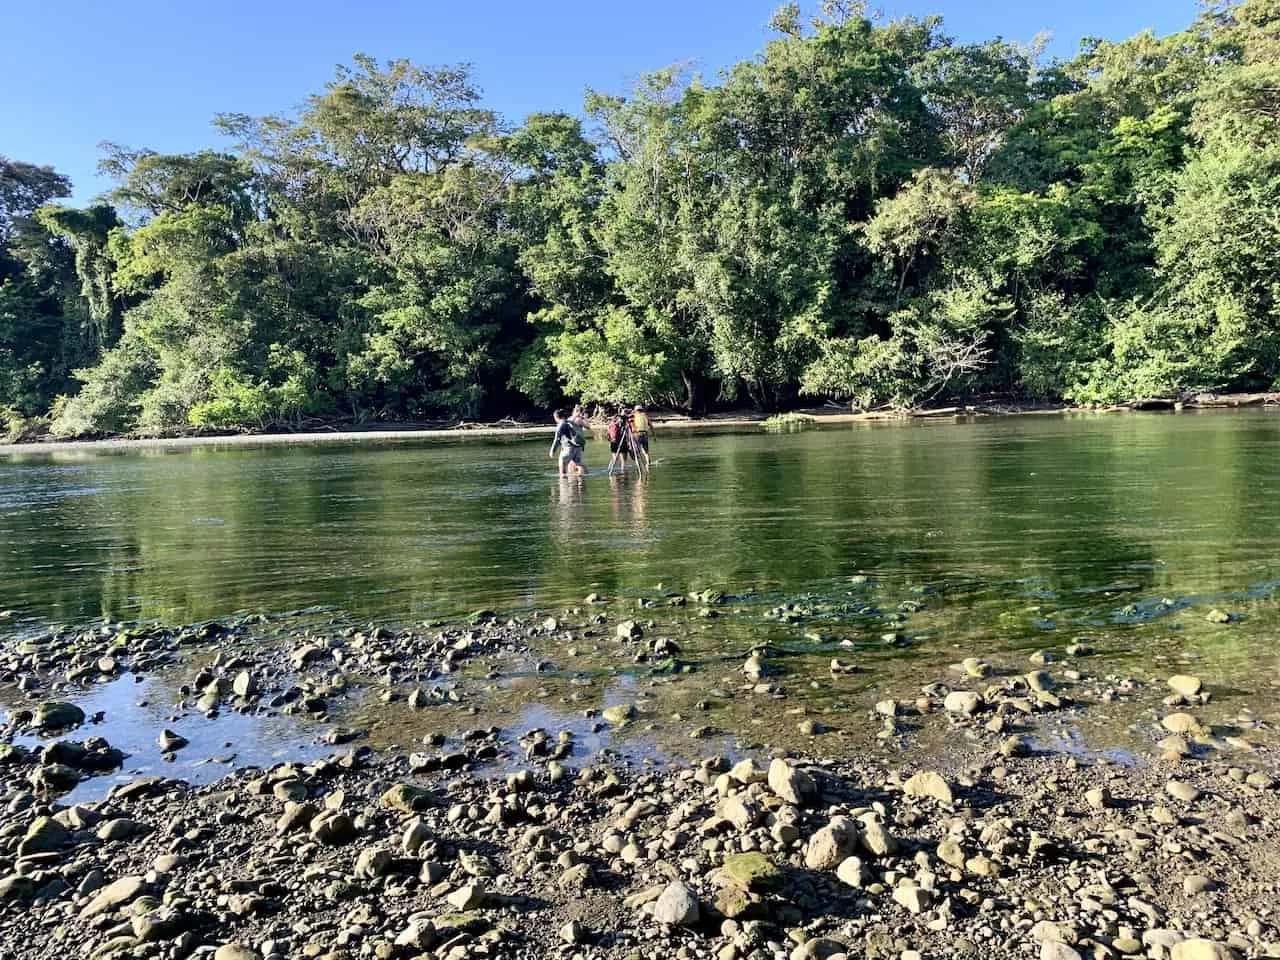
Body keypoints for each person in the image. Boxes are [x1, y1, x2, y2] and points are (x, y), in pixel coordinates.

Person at [549, 408, 586, 476]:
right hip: (578, 447)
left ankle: (563, 483)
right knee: (579, 465)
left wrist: (552, 451)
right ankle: (582, 483)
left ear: (557, 417)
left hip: (568, 448)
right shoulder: (571, 422)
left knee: (562, 467)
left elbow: (557, 439)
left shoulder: (561, 425)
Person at [606, 404, 630, 475]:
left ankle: (609, 470)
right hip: (621, 442)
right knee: (623, 460)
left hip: (613, 442)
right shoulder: (621, 422)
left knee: (614, 458)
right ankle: (624, 473)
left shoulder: (611, 423)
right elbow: (627, 433)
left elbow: (608, 435)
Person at [629, 403, 652, 470]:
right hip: (645, 434)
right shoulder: (645, 415)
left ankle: (639, 467)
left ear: (635, 410)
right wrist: (654, 436)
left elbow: (630, 424)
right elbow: (651, 425)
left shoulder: (633, 416)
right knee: (646, 452)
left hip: (637, 435)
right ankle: (648, 465)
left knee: (637, 452)